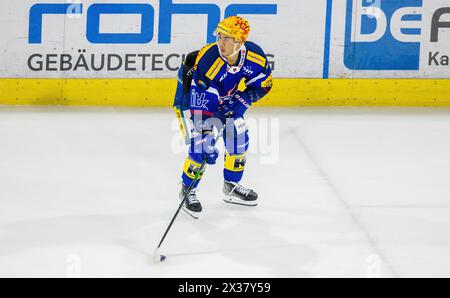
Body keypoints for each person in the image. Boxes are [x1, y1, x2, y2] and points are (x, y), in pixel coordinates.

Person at [173, 16, 273, 218]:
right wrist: (205, 134)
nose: (221, 42)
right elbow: (201, 106)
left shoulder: (255, 57)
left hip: (226, 100)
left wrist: (242, 101)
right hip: (191, 101)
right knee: (201, 146)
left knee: (238, 139)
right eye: (220, 36)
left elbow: (264, 84)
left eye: (228, 38)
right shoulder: (209, 60)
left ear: (240, 42)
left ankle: (231, 185)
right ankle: (187, 188)